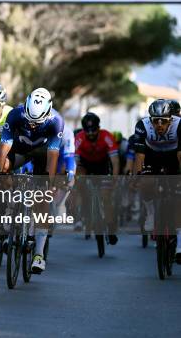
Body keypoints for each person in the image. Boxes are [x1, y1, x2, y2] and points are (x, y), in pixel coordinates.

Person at [0, 87, 64, 274]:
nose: (33, 126)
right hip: (21, 150)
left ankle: (39, 254)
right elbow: (4, 147)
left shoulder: (56, 121)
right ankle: (11, 212)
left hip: (43, 154)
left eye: (37, 123)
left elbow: (52, 156)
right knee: (4, 169)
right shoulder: (16, 114)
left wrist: (48, 184)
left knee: (41, 200)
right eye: (30, 121)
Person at [132, 99, 181, 262]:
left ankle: (179, 242)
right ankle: (151, 213)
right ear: (150, 119)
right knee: (146, 182)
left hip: (174, 157)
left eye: (164, 121)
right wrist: (137, 177)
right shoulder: (142, 125)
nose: (159, 125)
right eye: (156, 121)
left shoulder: (179, 125)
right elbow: (139, 156)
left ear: (171, 119)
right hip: (152, 156)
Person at [75, 112, 120, 245]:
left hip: (102, 166)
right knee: (80, 186)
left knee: (106, 198)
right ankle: (85, 212)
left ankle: (111, 228)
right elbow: (76, 163)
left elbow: (115, 161)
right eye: (87, 131)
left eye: (94, 130)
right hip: (85, 165)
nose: (90, 134)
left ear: (99, 128)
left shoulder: (107, 136)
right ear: (83, 130)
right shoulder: (79, 138)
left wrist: (115, 179)